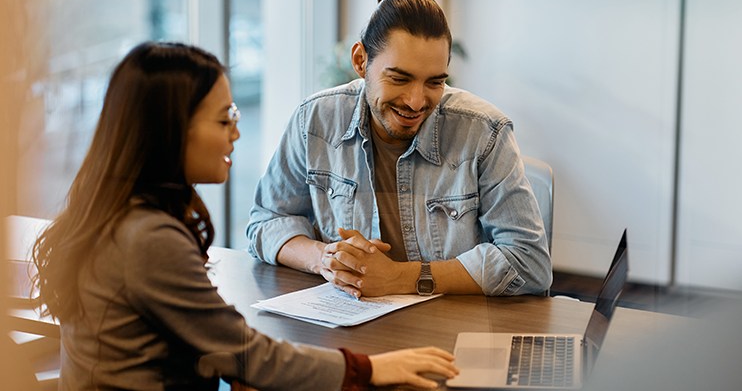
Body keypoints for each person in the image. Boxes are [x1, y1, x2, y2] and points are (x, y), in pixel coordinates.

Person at [31, 42, 458, 390]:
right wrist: (368, 369)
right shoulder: (148, 237)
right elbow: (248, 352)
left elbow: (219, 349)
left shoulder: (119, 215)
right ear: (171, 130)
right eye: (224, 118)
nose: (237, 130)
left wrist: (238, 369)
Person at [247, 0, 552, 299]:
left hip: (449, 328)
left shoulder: (485, 132)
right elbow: (266, 221)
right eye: (399, 78)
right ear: (360, 60)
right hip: (351, 327)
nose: (416, 102)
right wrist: (324, 260)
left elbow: (529, 262)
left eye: (435, 82)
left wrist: (403, 278)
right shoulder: (315, 121)